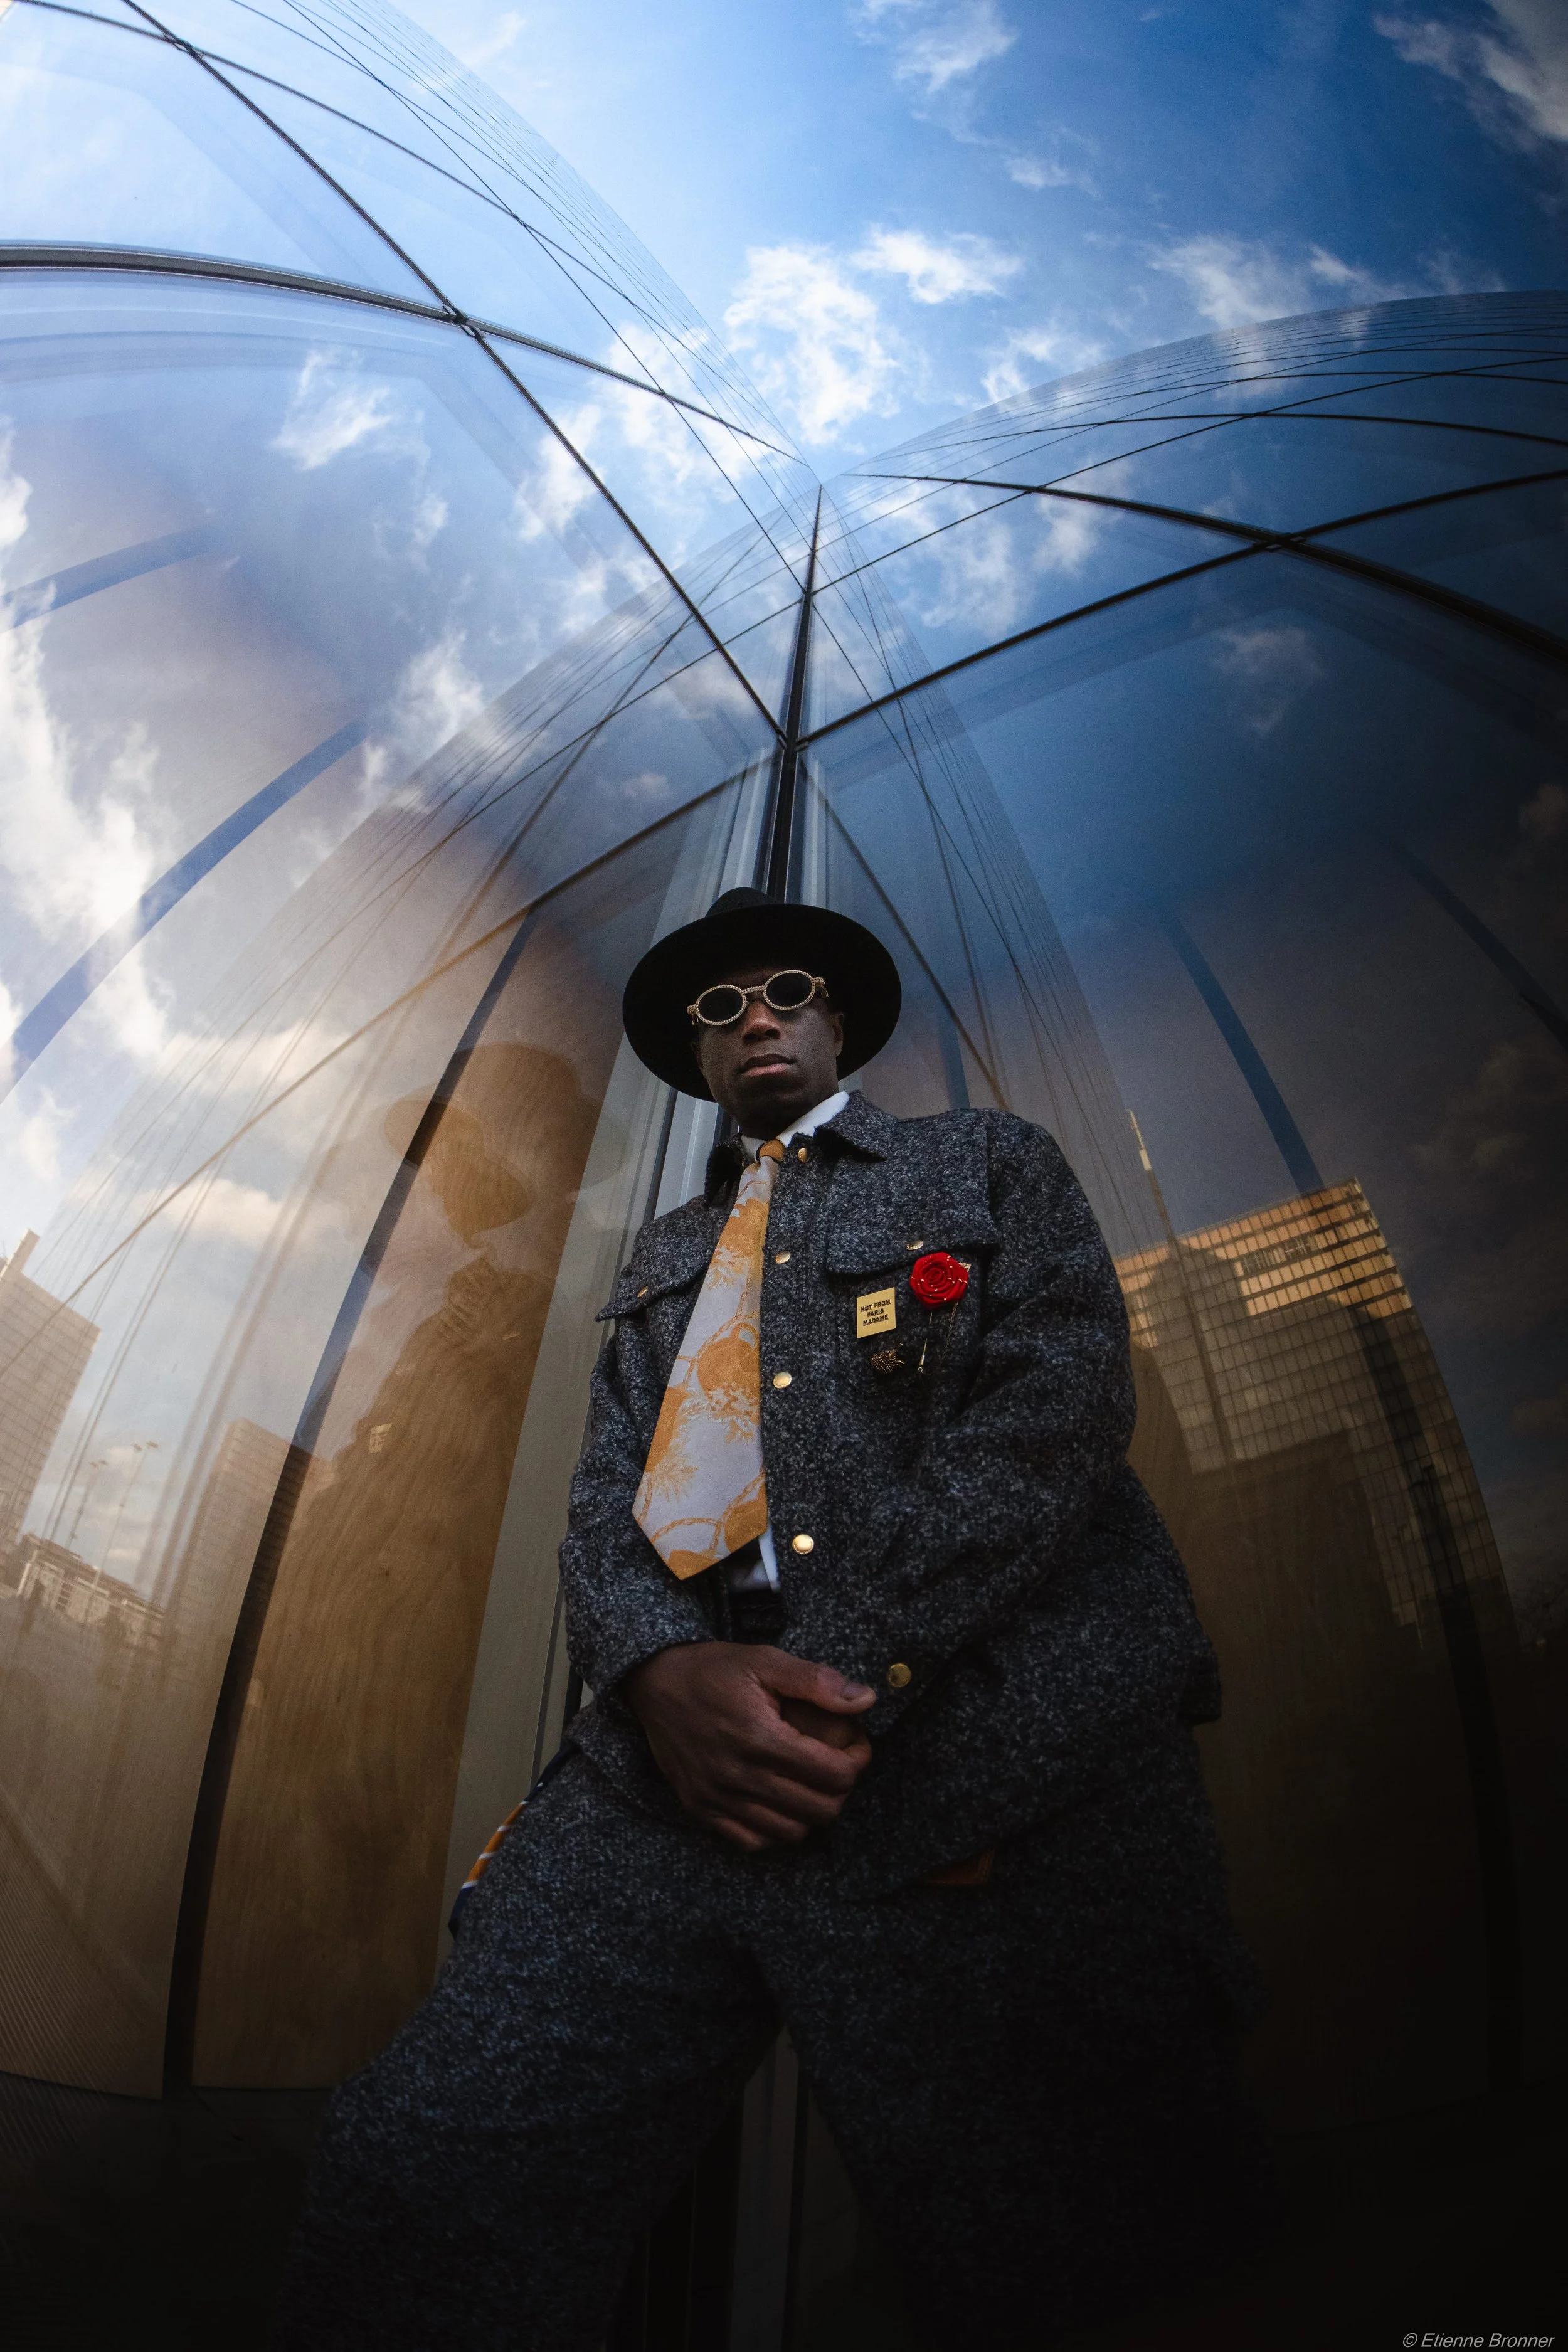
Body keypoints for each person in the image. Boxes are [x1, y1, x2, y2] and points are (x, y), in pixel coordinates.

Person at [277, 886, 1269, 2351]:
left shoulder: (986, 1164)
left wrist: (828, 1673)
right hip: (666, 1787)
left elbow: (1052, 1420)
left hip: (973, 1769)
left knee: (1062, 2255)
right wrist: (659, 1668)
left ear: (837, 1019)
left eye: (781, 990)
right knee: (416, 2175)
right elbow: (604, 1489)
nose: (749, 1018)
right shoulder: (663, 1262)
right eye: (715, 1007)